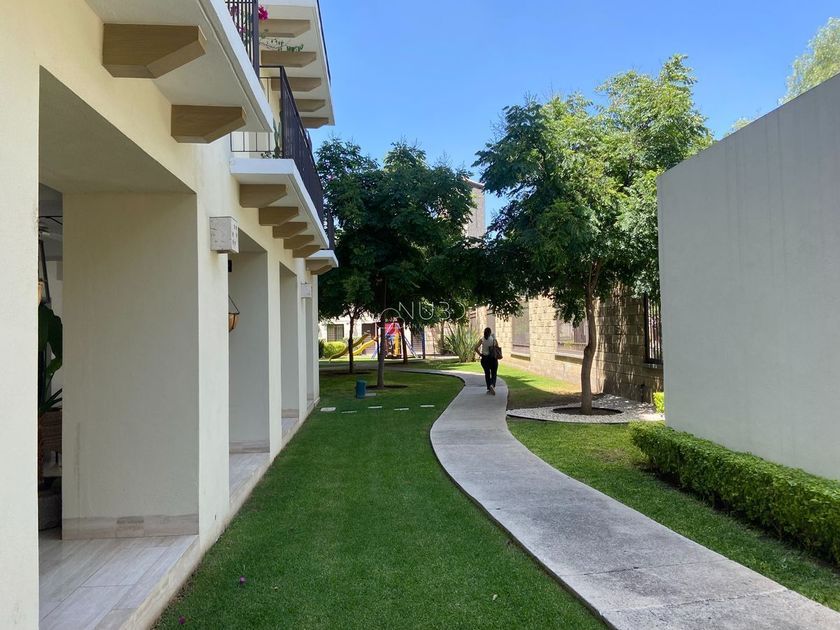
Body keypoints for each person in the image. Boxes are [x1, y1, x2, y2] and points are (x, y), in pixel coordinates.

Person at [475, 327, 499, 395]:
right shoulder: (493, 339)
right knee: (494, 373)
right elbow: (497, 347)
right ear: (490, 332)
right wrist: (495, 339)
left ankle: (489, 387)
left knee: (487, 373)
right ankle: (492, 385)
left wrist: (480, 354)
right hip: (493, 358)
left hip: (484, 358)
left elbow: (476, 348)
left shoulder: (482, 339)